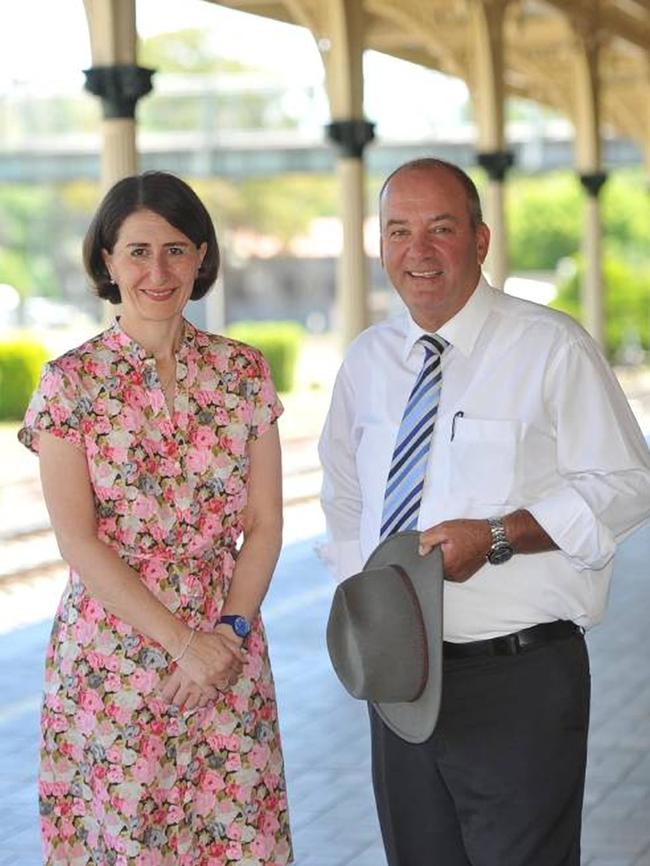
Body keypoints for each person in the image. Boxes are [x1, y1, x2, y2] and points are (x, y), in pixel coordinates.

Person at [318, 157, 650, 866]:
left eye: (441, 228)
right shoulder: (366, 362)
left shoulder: (549, 346)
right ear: (381, 246)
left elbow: (627, 483)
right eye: (400, 230)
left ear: (480, 240)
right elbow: (345, 497)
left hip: (519, 681)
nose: (420, 250)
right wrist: (373, 614)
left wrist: (498, 536)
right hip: (403, 686)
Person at [19, 171, 292, 866]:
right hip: (114, 660)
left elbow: (264, 524)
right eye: (137, 251)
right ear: (106, 261)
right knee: (131, 844)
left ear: (202, 256)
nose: (157, 270)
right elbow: (76, 540)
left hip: (228, 651)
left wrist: (225, 636)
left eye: (175, 249)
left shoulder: (243, 373)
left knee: (239, 842)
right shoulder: (69, 384)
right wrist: (183, 645)